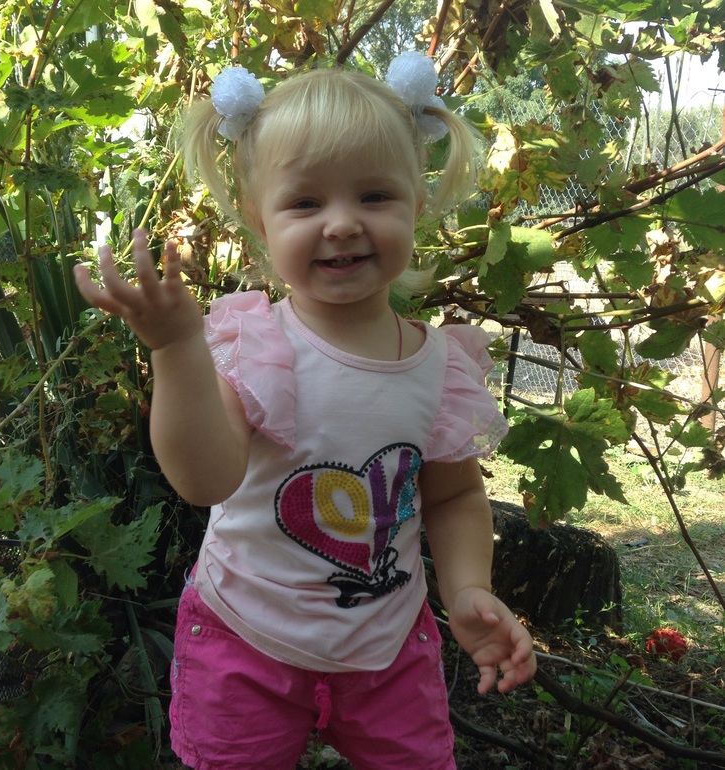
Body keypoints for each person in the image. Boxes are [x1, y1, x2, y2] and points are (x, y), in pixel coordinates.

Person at [75, 52, 536, 770]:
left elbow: (453, 497)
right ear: (258, 219)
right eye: (305, 203)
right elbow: (205, 479)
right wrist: (175, 348)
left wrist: (469, 587)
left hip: (387, 646)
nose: (343, 224)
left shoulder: (440, 367)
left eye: (374, 196)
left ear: (417, 203)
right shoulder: (257, 345)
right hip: (245, 638)